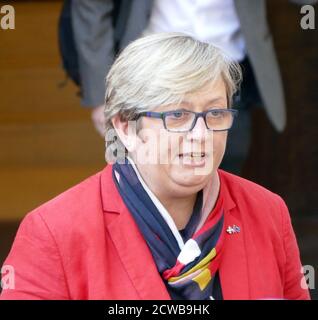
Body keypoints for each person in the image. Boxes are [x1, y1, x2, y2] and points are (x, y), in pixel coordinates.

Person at [0, 33, 309, 300]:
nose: (201, 135)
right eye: (177, 115)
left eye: (215, 113)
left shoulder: (267, 212)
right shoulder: (54, 231)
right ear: (124, 126)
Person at [71, 0, 286, 175]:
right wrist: (103, 93)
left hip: (230, 74)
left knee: (225, 172)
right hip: (151, 75)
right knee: (142, 179)